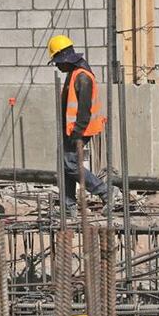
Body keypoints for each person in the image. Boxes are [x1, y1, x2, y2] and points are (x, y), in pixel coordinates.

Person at [47, 35, 114, 213]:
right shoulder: (74, 73)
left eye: (58, 62)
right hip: (71, 129)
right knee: (66, 165)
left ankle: (105, 192)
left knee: (70, 165)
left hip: (80, 129)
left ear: (65, 59)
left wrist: (77, 132)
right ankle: (68, 206)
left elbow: (85, 110)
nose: (57, 66)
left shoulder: (82, 77)